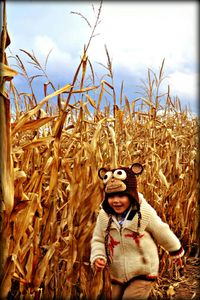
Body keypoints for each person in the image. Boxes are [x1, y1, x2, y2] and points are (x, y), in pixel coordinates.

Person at [90, 163, 184, 300]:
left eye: (121, 196)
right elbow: (98, 239)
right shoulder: (104, 216)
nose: (115, 201)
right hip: (117, 274)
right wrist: (98, 256)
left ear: (131, 195)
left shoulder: (144, 213)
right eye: (111, 197)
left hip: (144, 271)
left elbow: (162, 231)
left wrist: (175, 250)